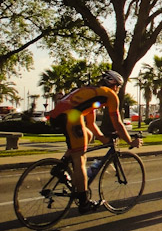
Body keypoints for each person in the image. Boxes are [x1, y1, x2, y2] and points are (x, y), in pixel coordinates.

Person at [48, 70, 142, 214]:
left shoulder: (91, 92)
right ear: (114, 85)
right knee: (80, 158)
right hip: (70, 117)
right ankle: (84, 202)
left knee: (88, 135)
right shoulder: (110, 95)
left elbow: (92, 124)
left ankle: (62, 165)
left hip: (57, 116)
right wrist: (130, 141)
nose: (118, 90)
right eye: (118, 86)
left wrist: (104, 139)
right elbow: (117, 122)